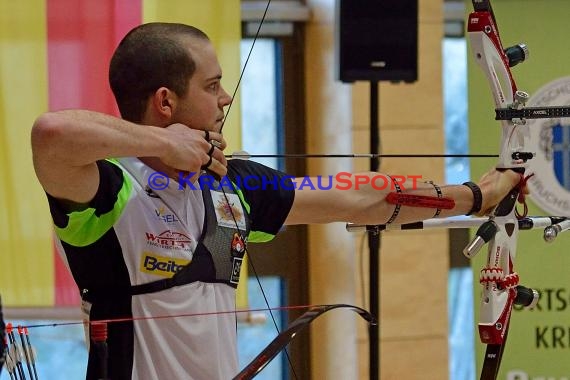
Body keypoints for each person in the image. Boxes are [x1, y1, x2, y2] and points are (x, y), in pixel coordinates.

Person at [31, 22, 522, 380]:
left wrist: (475, 196)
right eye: (211, 85)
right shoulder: (108, 193)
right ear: (165, 102)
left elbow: (360, 196)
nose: (225, 98)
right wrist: (163, 145)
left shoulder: (233, 187)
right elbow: (51, 133)